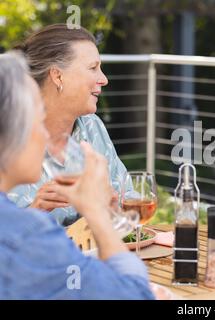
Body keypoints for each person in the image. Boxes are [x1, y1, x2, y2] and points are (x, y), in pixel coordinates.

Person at [0, 52, 155, 299]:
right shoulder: (26, 232)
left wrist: (112, 211)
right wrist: (95, 213)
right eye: (39, 121)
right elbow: (135, 295)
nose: (45, 136)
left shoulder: (92, 127)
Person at [8, 24, 126, 226]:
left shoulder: (92, 127)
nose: (104, 79)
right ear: (58, 76)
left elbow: (127, 197)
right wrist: (36, 210)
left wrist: (113, 205)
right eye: (93, 68)